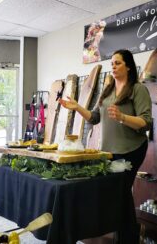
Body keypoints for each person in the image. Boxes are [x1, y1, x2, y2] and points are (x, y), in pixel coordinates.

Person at [60, 49, 152, 243]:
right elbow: (94, 118)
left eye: (117, 63)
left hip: (132, 150)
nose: (113, 66)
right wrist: (77, 107)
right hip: (111, 151)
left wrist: (122, 117)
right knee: (119, 195)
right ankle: (128, 236)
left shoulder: (137, 89)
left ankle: (128, 238)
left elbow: (146, 122)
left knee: (121, 194)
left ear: (128, 66)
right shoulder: (108, 89)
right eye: (112, 63)